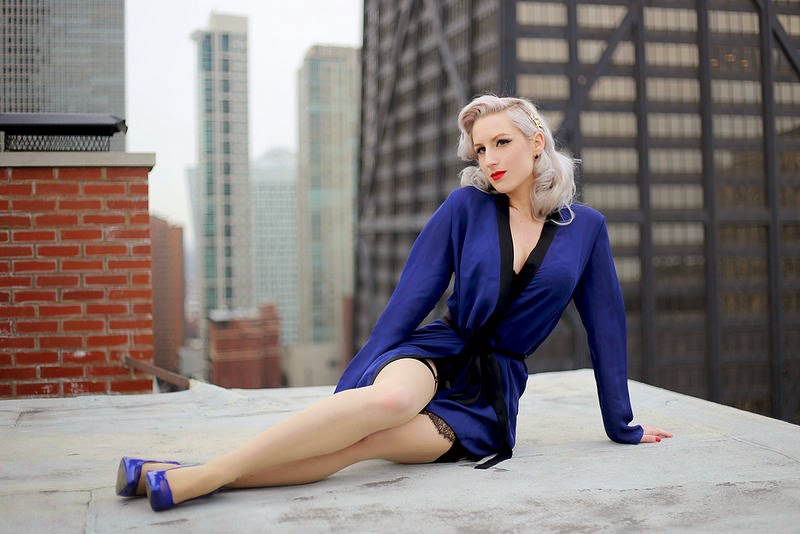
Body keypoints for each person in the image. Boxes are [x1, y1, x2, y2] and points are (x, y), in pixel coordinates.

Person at [116, 94, 671, 512]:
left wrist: (622, 424)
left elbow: (606, 328)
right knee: (384, 404)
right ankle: (198, 479)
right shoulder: (465, 207)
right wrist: (352, 388)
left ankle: (171, 475)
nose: (490, 159)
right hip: (437, 349)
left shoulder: (586, 228)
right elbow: (411, 298)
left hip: (488, 395)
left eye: (502, 143)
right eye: (481, 149)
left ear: (536, 142)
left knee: (355, 449)